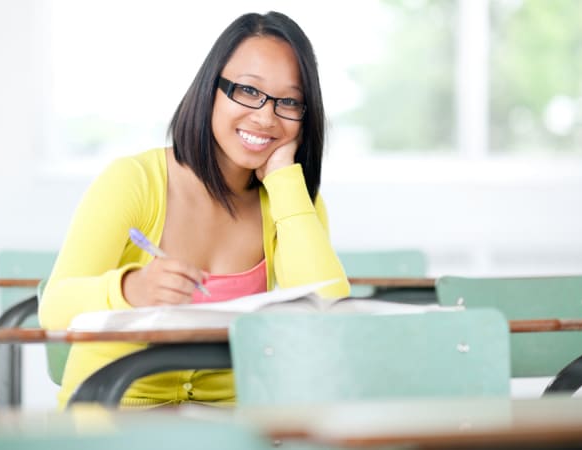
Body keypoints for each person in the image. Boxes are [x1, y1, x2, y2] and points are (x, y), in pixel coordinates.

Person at [39, 10, 350, 410]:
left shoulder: (292, 199)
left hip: (233, 426)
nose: (266, 116)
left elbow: (331, 317)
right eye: (248, 91)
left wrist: (286, 184)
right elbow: (54, 310)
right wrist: (132, 290)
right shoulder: (133, 180)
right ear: (211, 89)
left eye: (289, 101)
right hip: (116, 416)